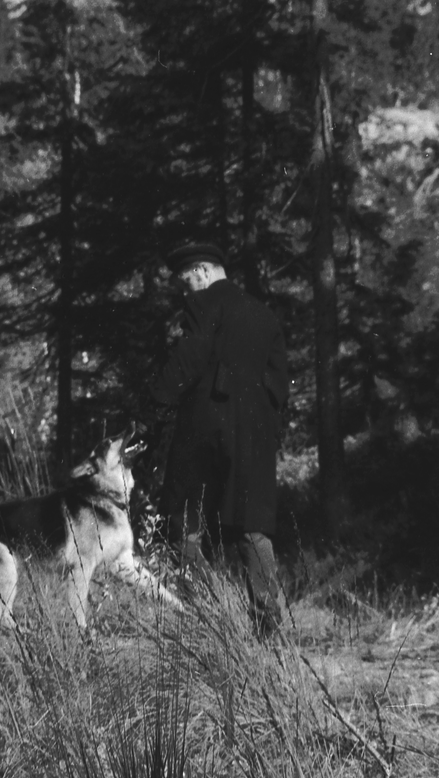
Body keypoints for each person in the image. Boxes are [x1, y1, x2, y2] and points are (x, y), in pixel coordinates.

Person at [149, 242, 291, 636]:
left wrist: (154, 403)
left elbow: (188, 359)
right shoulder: (264, 315)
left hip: (205, 431)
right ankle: (268, 628)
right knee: (252, 528)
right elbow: (281, 381)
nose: (185, 292)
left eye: (186, 282)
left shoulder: (204, 304)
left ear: (203, 272)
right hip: (256, 436)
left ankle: (207, 620)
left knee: (186, 525)